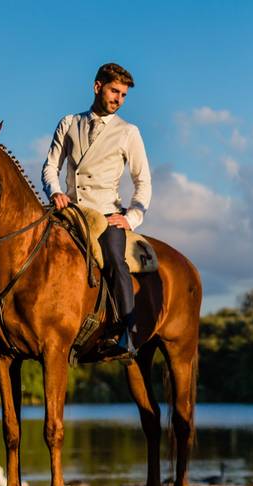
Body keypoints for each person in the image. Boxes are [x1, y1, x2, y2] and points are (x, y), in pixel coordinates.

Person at [42, 62, 152, 358]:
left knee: (115, 262)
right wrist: (54, 192)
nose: (119, 99)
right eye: (115, 91)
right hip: (69, 210)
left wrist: (131, 218)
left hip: (106, 215)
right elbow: (51, 167)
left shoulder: (129, 132)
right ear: (97, 87)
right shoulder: (68, 123)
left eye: (124, 95)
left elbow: (143, 182)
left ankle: (128, 333)